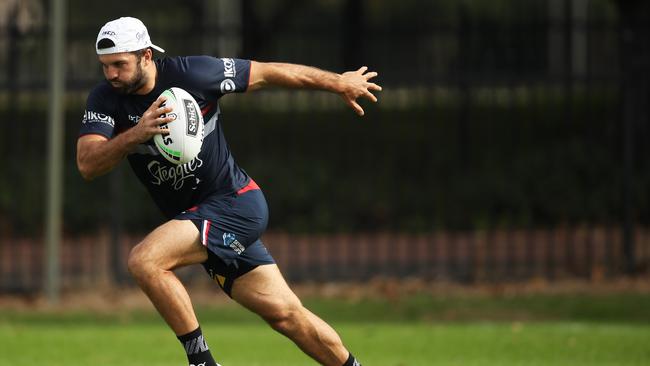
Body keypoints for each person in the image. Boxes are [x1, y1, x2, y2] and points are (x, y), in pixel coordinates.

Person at [77, 17, 380, 366]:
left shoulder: (194, 74)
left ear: (146, 56)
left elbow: (267, 72)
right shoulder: (105, 99)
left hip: (236, 204)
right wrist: (137, 133)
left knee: (145, 261)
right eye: (105, 66)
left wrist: (338, 82)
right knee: (287, 316)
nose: (111, 74)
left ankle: (202, 363)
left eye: (119, 65)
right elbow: (88, 164)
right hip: (202, 220)